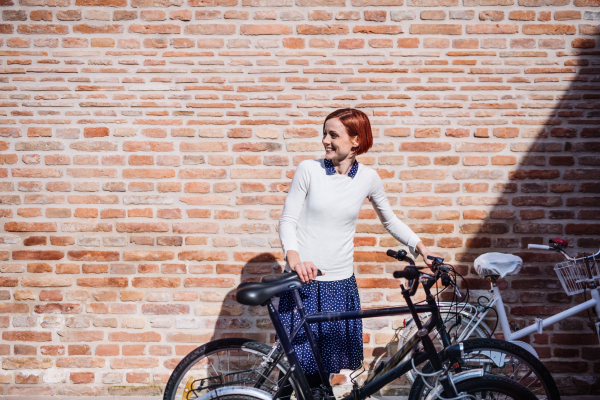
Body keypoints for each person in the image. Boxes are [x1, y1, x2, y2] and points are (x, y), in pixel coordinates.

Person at [277, 108, 442, 390]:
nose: (325, 140)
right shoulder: (309, 170)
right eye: (325, 133)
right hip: (303, 281)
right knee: (297, 373)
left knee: (321, 376)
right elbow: (288, 220)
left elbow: (390, 220)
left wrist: (421, 248)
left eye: (333, 134)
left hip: (339, 284)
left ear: (355, 140)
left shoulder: (368, 178)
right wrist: (296, 261)